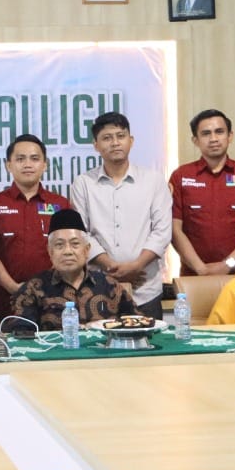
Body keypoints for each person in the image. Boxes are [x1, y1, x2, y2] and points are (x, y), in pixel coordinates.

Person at [68, 112, 173, 319]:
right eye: (107, 138)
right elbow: (82, 233)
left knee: (151, 340)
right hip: (99, 288)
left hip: (145, 288)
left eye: (120, 136)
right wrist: (110, 267)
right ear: (96, 145)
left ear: (131, 141)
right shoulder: (83, 183)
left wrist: (136, 266)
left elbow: (162, 231)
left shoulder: (153, 180)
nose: (115, 143)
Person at [169, 109, 235, 276]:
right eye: (206, 133)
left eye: (219, 132)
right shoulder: (181, 176)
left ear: (230, 136)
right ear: (195, 140)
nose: (213, 139)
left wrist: (228, 264)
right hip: (194, 276)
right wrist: (200, 268)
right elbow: (174, 229)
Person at [8, 208, 137, 331]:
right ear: (50, 251)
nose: (68, 251)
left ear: (87, 250)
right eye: (59, 245)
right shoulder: (33, 288)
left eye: (75, 244)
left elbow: (137, 323)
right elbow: (21, 333)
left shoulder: (109, 286)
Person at [0, 134, 70, 321]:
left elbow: (69, 249)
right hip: (6, 302)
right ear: (8, 165)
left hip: (53, 300)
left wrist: (44, 287)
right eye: (20, 159)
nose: (27, 164)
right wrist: (13, 287)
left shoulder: (60, 204)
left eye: (34, 158)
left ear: (45, 165)